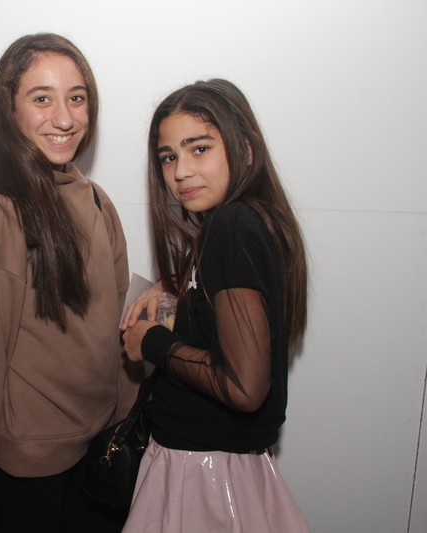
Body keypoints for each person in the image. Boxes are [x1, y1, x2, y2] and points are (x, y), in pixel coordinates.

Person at [0, 33, 142, 532]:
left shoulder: (96, 200)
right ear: (9, 109)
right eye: (42, 98)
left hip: (95, 451)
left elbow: (114, 329)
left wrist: (122, 422)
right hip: (28, 472)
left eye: (77, 97)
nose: (65, 118)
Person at [120, 79, 310, 532]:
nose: (181, 172)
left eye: (199, 149)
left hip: (202, 476)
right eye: (168, 157)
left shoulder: (231, 224)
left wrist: (152, 341)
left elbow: (244, 386)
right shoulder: (252, 221)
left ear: (246, 149)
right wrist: (172, 285)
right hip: (221, 469)